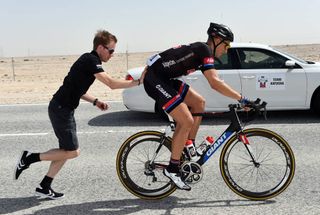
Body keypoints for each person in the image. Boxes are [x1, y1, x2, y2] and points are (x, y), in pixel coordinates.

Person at [14, 30, 145, 199]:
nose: (112, 54)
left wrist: (95, 101)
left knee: (65, 150)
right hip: (61, 109)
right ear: (100, 47)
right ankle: (29, 158)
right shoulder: (91, 60)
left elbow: (76, 89)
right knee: (73, 152)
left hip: (62, 108)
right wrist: (139, 82)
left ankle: (44, 186)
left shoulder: (88, 60)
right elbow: (111, 83)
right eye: (110, 50)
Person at [143, 22, 251, 190]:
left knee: (199, 102)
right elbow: (215, 83)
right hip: (155, 81)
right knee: (186, 120)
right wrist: (242, 99)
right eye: (226, 44)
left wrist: (149, 64)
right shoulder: (204, 50)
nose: (227, 49)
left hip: (165, 80)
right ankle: (172, 169)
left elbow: (166, 55)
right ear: (215, 39)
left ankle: (188, 144)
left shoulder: (202, 51)